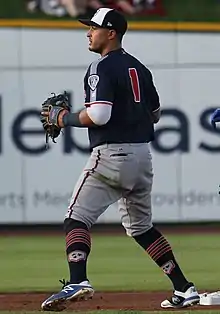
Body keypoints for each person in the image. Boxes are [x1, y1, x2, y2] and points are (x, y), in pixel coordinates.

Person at [40, 7, 200, 312]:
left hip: (112, 155)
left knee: (76, 218)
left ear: (111, 33)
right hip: (143, 158)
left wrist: (64, 118)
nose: (88, 33)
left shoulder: (100, 67)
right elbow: (154, 114)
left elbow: (99, 115)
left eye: (94, 28)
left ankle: (78, 280)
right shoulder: (140, 68)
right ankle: (184, 288)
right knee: (141, 227)